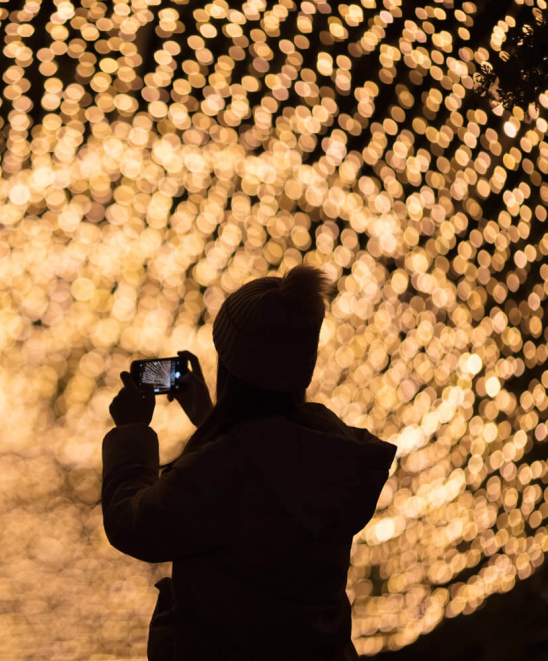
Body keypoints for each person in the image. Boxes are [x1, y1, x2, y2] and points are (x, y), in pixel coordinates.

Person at [101, 265, 397, 660]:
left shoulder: (218, 472)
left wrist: (132, 434)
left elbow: (132, 525)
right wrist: (209, 421)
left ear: (231, 364)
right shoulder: (332, 447)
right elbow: (266, 466)